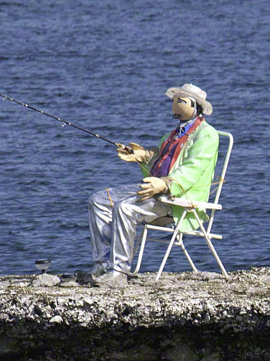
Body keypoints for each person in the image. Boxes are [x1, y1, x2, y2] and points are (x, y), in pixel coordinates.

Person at [88, 83, 219, 285]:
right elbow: (158, 162)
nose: (176, 105)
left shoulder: (206, 135)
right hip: (158, 192)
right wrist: (140, 157)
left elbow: (194, 169)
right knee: (99, 200)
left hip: (179, 199)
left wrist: (165, 184)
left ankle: (118, 271)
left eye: (181, 101)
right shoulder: (171, 136)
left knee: (125, 208)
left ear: (195, 106)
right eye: (175, 101)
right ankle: (103, 264)